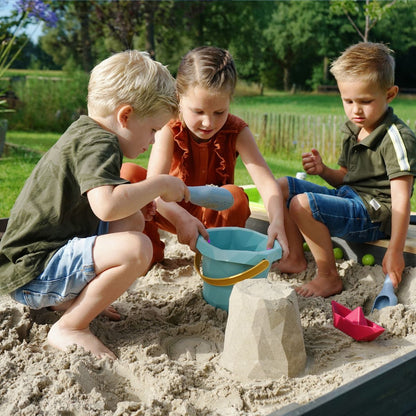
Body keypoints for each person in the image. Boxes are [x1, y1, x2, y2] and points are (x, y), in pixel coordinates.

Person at [0, 50, 190, 359]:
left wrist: (135, 201)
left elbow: (103, 201)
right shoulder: (100, 143)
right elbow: (106, 207)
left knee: (132, 223)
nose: (154, 140)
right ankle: (71, 326)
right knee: (137, 247)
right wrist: (160, 184)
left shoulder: (88, 133)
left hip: (39, 260)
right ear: (125, 115)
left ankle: (68, 302)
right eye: (154, 129)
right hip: (33, 270)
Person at [121, 46, 289, 263]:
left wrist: (276, 220)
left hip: (211, 218)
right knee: (128, 174)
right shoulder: (170, 128)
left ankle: (217, 258)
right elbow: (154, 191)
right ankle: (149, 252)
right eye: (198, 112)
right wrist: (181, 217)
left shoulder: (237, 131)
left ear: (230, 101)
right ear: (178, 97)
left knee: (235, 196)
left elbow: (267, 184)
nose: (209, 122)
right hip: (168, 208)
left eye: (219, 112)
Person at [276, 42, 416, 298]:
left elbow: (401, 200)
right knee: (281, 187)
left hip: (376, 213)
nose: (355, 110)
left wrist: (395, 250)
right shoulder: (352, 130)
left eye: (365, 101)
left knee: (301, 204)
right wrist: (323, 171)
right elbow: (344, 178)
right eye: (348, 100)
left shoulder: (397, 137)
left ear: (390, 94)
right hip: (350, 197)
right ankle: (296, 257)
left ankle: (329, 277)